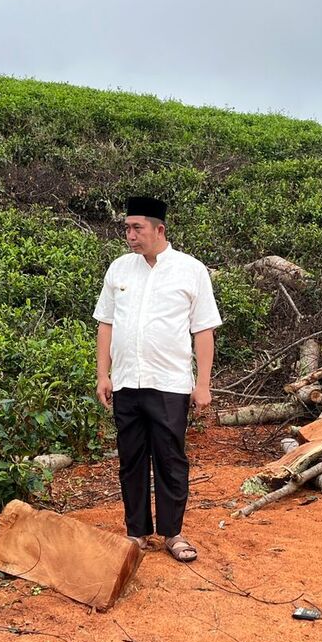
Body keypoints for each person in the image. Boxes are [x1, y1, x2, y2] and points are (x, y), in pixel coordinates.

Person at [93, 196, 221, 562]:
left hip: (170, 384)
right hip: (127, 382)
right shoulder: (119, 269)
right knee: (131, 459)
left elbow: (203, 330)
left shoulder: (190, 270)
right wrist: (104, 374)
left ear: (159, 229)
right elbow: (106, 323)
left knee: (169, 458)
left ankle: (173, 533)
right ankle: (136, 532)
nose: (130, 235)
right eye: (127, 228)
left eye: (138, 228)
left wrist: (203, 384)